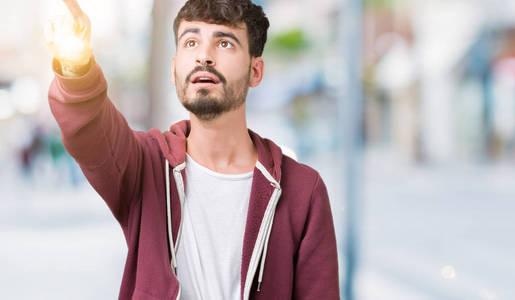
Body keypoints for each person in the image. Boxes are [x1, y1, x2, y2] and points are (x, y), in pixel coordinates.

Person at [46, 0, 340, 299]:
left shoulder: (303, 190)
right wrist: (76, 66)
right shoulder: (145, 166)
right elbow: (90, 131)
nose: (204, 56)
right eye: (191, 41)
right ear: (174, 69)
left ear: (255, 71)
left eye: (224, 43)